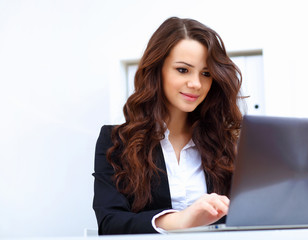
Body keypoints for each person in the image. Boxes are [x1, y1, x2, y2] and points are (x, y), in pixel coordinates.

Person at [92, 16, 243, 235]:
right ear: (157, 70)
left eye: (206, 73)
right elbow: (110, 223)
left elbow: (245, 220)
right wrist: (180, 220)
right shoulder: (117, 141)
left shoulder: (225, 143)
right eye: (183, 70)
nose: (196, 84)